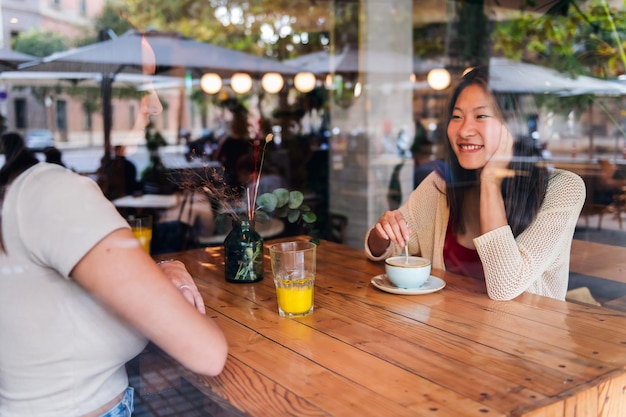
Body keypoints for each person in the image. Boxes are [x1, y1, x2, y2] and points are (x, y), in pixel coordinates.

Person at [0, 131, 227, 416]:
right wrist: (167, 279)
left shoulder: (15, 199)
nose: (153, 107)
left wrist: (160, 270)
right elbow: (206, 352)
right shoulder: (49, 192)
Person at [365, 67, 585, 301]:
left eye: (480, 116)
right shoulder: (441, 185)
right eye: (457, 117)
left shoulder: (563, 189)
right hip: (446, 329)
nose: (464, 130)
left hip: (523, 334)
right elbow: (384, 251)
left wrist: (490, 180)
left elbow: (505, 287)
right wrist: (384, 231)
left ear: (514, 126)